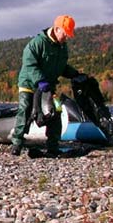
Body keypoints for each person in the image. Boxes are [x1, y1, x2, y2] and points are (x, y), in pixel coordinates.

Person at [11, 15, 84, 156]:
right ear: (57, 29)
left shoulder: (63, 47)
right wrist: (40, 80)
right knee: (25, 109)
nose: (67, 37)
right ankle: (17, 144)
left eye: (69, 35)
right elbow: (29, 64)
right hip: (29, 83)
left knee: (55, 112)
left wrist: (75, 74)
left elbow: (62, 67)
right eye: (65, 34)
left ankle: (53, 146)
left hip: (48, 87)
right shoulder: (37, 43)